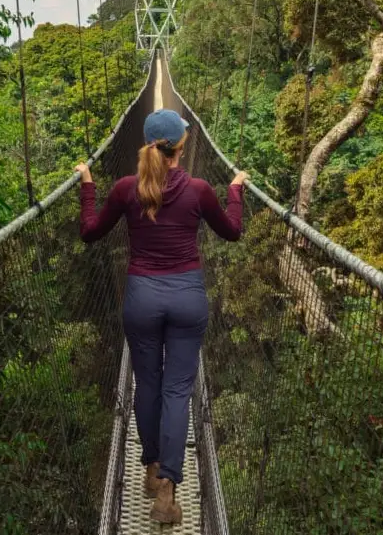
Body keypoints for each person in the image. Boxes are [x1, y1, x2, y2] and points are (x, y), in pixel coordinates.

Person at [76, 108, 247, 525]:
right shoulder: (200, 189)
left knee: (147, 384)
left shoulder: (124, 189)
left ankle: (151, 471)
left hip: (142, 299)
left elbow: (90, 231)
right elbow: (233, 231)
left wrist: (86, 185)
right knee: (177, 392)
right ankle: (167, 495)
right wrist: (237, 191)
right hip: (187, 299)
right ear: (182, 145)